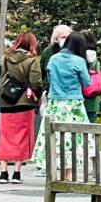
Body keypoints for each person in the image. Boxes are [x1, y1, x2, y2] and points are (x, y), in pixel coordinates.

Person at [31, 32, 92, 178]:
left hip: (55, 102)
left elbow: (50, 78)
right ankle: (68, 175)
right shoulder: (79, 61)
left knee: (54, 136)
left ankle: (50, 170)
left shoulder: (53, 59)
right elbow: (87, 82)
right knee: (73, 138)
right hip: (73, 104)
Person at [0, 32, 42, 185]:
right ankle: (16, 172)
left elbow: (1, 77)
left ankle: (3, 172)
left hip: (6, 100)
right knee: (22, 135)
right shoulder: (32, 60)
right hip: (24, 102)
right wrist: (36, 94)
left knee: (4, 134)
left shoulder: (5, 58)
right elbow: (36, 82)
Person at [34, 24, 71, 177]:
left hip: (67, 96)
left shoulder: (74, 53)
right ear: (56, 38)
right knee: (48, 128)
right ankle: (45, 163)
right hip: (51, 93)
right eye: (63, 37)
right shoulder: (49, 52)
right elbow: (44, 72)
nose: (66, 39)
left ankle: (65, 165)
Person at [80, 30, 101, 122]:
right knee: (90, 126)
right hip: (93, 98)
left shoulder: (79, 57)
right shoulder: (95, 60)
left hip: (81, 98)